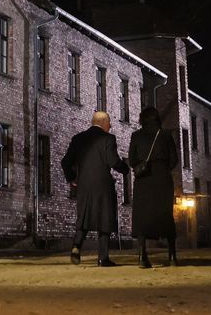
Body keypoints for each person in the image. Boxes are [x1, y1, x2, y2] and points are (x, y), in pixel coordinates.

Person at [60, 111, 129, 266]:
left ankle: (76, 247)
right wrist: (125, 168)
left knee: (83, 217)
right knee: (105, 218)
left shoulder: (78, 139)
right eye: (109, 123)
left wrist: (72, 178)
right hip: (103, 184)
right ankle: (102, 258)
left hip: (84, 185)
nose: (110, 126)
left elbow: (65, 162)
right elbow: (113, 161)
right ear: (103, 122)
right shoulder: (108, 138)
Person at [128, 106, 179, 268]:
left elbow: (131, 159)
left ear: (142, 119)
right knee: (166, 215)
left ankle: (143, 256)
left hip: (144, 181)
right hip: (162, 179)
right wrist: (163, 169)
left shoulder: (136, 136)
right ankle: (172, 257)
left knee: (143, 216)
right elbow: (174, 160)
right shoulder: (165, 135)